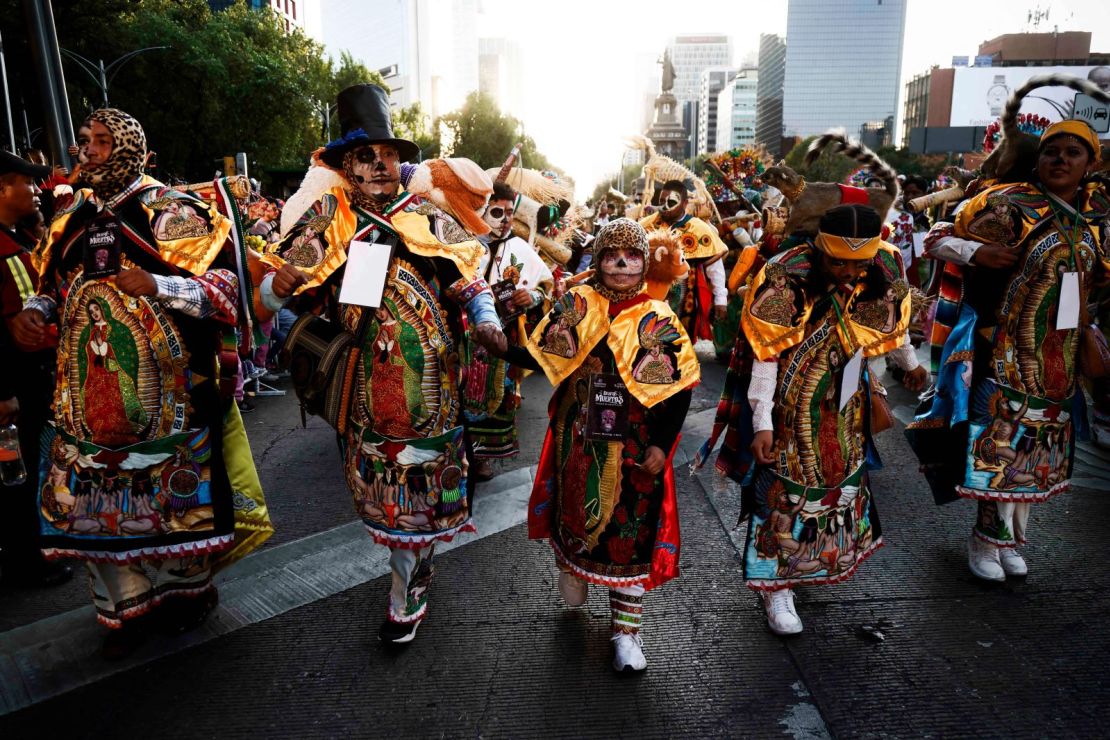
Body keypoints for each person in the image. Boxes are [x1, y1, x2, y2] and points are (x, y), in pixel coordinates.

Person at [9, 108, 294, 658]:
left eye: (97, 142)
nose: (83, 151)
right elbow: (53, 286)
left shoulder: (173, 211)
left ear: (126, 149)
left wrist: (158, 285)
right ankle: (126, 606)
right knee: (100, 502)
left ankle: (185, 594)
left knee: (169, 499)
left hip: (170, 396)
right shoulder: (71, 218)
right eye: (83, 141)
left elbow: (226, 293)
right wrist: (36, 310)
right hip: (88, 396)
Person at [261, 84, 506, 644]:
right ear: (345, 166)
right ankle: (410, 571)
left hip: (431, 390)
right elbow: (280, 295)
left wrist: (487, 320)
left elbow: (466, 279)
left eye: (389, 154)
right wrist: (277, 292)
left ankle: (407, 592)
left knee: (422, 494)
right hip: (365, 389)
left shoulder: (423, 214)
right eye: (365, 156)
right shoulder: (329, 217)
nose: (379, 164)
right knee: (386, 498)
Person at [491, 219, 699, 672]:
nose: (622, 265)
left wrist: (662, 445)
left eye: (632, 257)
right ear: (597, 261)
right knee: (576, 517)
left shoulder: (659, 317)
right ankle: (573, 568)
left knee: (631, 535)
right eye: (611, 256)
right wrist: (501, 343)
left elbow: (679, 388)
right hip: (577, 438)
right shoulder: (577, 302)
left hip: (635, 446)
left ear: (645, 263)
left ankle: (627, 634)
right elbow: (540, 353)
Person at [908, 119, 1109, 582]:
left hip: (1060, 354)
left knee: (1036, 455)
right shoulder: (1011, 204)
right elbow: (937, 237)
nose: (1060, 160)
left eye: (1072, 153)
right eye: (1051, 151)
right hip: (1002, 353)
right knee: (997, 449)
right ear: (1037, 161)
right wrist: (976, 253)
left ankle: (1013, 540)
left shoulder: (1097, 215)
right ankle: (985, 540)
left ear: (1090, 163)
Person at [716, 204, 926, 635]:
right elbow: (766, 354)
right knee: (783, 487)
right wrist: (762, 422)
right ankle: (777, 586)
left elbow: (889, 321)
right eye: (837, 262)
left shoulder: (885, 264)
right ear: (818, 249)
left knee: (838, 475)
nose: (848, 273)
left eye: (858, 263)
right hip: (788, 403)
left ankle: (813, 562)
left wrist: (910, 362)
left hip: (846, 400)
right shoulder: (784, 277)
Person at [0, 151, 73, 589]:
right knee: (16, 475)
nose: (34, 190)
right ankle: (26, 560)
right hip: (14, 385)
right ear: (1, 189)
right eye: (25, 183)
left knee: (34, 467)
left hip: (34, 375)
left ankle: (38, 545)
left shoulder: (17, 236)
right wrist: (3, 391)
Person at [462, 181, 553, 480]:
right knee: (459, 392)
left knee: (496, 394)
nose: (505, 220)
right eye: (496, 212)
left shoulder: (520, 248)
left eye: (510, 213)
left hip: (503, 336)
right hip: (462, 335)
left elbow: (546, 283)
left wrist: (533, 297)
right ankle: (458, 452)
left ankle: (483, 455)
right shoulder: (463, 243)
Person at [639, 179, 728, 342]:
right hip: (648, 299)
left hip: (684, 302)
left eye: (671, 202)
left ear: (685, 203)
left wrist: (720, 298)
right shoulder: (647, 224)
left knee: (679, 346)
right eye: (662, 201)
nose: (665, 206)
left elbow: (715, 267)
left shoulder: (699, 228)